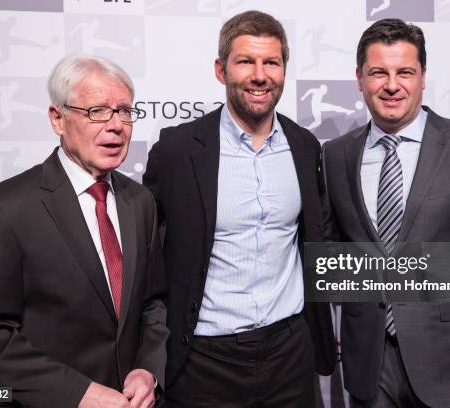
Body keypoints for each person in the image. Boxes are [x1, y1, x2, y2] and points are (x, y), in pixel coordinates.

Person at [321, 19, 450, 408]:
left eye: (405, 72)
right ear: (359, 78)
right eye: (378, 72)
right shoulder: (335, 155)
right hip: (369, 369)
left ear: (423, 77)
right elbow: (334, 255)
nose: (392, 85)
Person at [143, 10, 335, 407]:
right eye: (246, 61)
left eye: (272, 62)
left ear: (284, 69)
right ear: (221, 69)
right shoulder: (177, 151)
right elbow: (148, 256)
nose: (260, 75)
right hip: (204, 359)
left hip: (290, 354)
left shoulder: (305, 147)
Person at [0, 55, 168, 408]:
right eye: (98, 111)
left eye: (125, 111)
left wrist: (148, 369)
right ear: (58, 119)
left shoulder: (140, 202)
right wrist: (78, 393)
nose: (116, 125)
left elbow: (153, 303)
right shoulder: (5, 208)